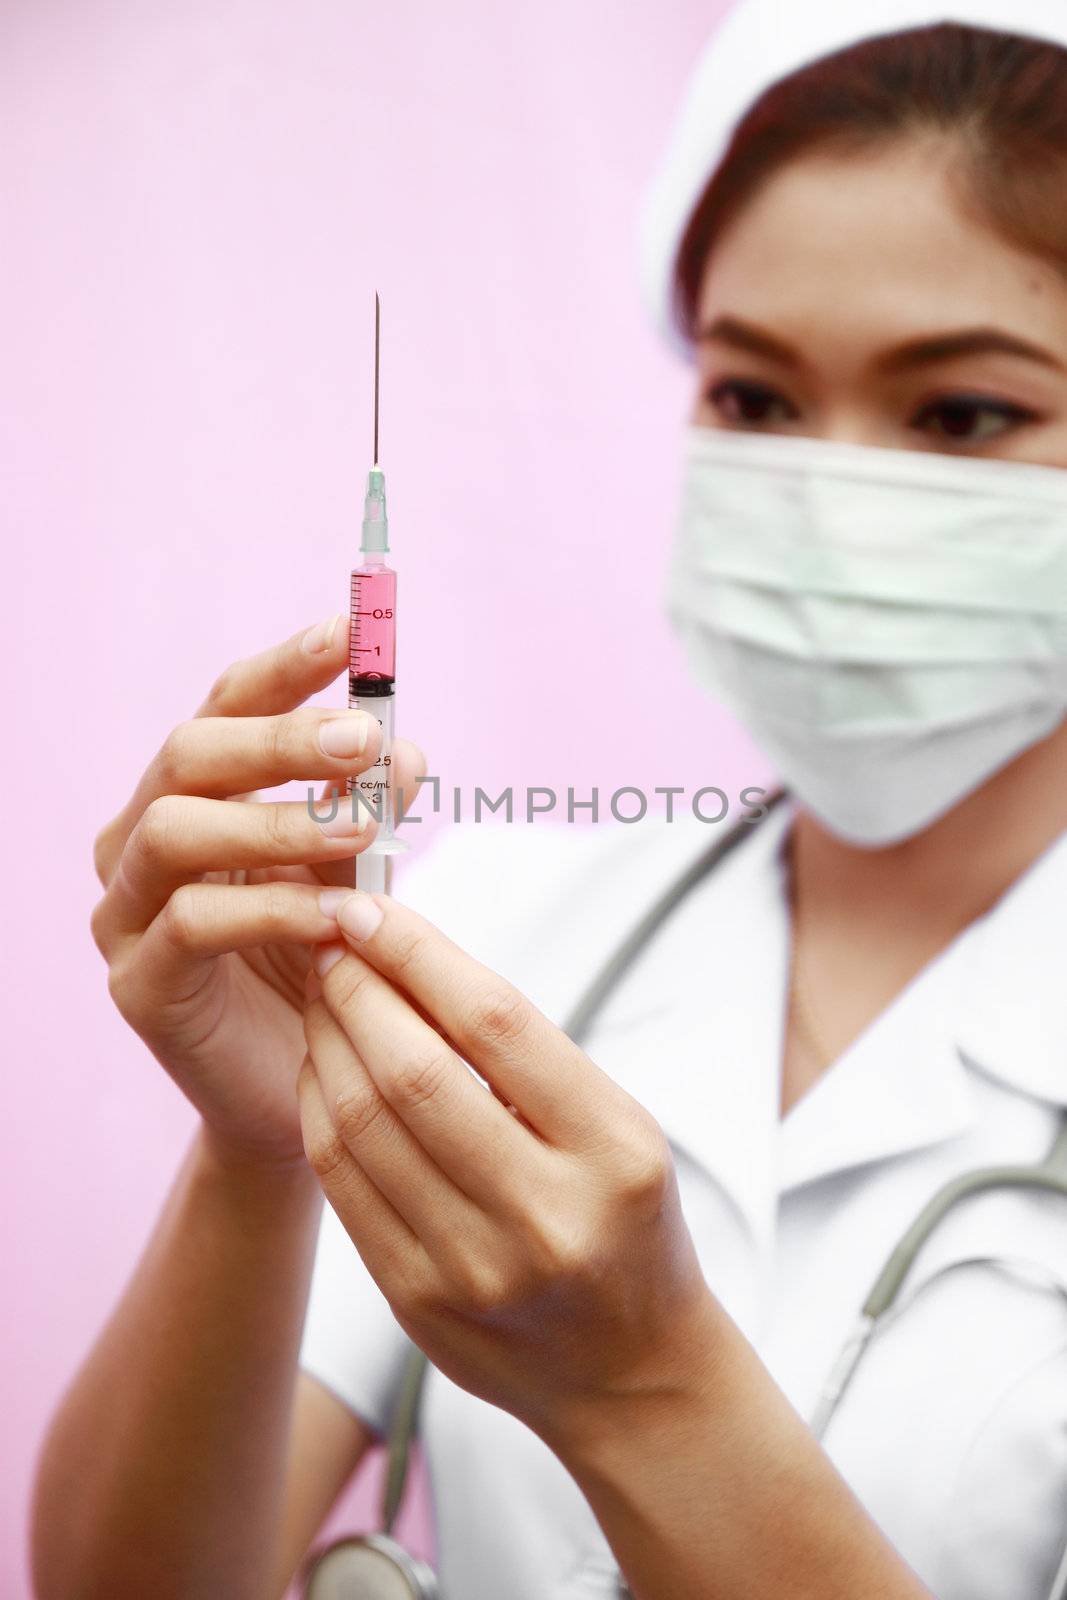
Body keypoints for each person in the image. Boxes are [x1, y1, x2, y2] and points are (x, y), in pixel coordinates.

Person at [31, 3, 1067, 1597]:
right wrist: (257, 1159)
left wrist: (650, 1390)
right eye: (756, 400)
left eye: (963, 413)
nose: (827, 508)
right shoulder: (487, 917)